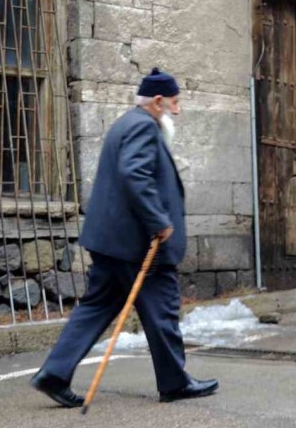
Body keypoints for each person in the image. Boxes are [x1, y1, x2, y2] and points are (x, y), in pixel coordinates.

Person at [31, 68, 218, 407]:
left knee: (96, 307)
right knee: (162, 309)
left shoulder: (126, 123)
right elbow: (135, 174)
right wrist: (159, 220)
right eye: (175, 103)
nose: (177, 111)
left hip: (112, 242)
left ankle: (54, 373)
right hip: (138, 245)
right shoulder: (143, 127)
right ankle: (175, 383)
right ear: (158, 101)